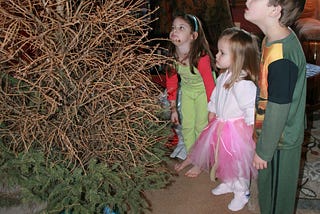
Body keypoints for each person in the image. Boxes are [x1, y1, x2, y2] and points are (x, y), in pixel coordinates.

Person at [175, 27, 260, 212]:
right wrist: (212, 109)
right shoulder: (224, 76)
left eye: (222, 53)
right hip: (220, 125)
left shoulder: (243, 84)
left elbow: (250, 108)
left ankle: (241, 190)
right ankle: (229, 183)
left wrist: (251, 130)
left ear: (237, 58)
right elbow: (215, 96)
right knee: (221, 158)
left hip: (236, 130)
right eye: (218, 51)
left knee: (237, 163)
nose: (217, 55)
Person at [244, 0, 307, 213]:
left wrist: (264, 150)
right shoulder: (272, 38)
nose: (247, 1)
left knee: (278, 197)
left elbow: (279, 109)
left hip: (280, 139)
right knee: (266, 188)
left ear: (274, 10)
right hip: (272, 135)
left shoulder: (281, 56)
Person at [166, 13, 215, 159]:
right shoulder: (172, 56)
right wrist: (173, 109)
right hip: (187, 91)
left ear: (193, 36)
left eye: (181, 28)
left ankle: (201, 159)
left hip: (204, 93)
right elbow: (171, 83)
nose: (175, 31)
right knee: (187, 125)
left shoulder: (202, 57)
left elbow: (209, 85)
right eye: (173, 27)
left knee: (201, 126)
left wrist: (212, 108)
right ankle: (191, 156)